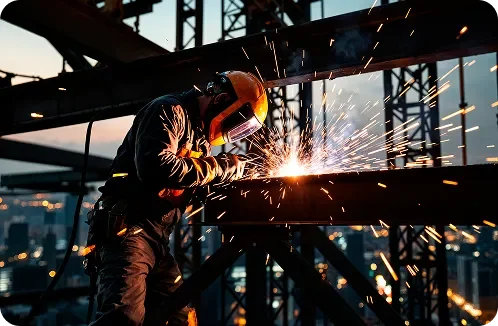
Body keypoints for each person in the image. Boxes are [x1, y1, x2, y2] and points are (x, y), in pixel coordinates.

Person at [85, 71, 268, 326]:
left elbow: (193, 183)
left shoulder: (201, 140)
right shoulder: (169, 111)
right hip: (127, 231)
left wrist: (236, 182)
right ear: (221, 100)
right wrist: (218, 168)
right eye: (235, 122)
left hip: (157, 239)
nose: (230, 132)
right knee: (123, 318)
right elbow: (155, 168)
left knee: (179, 318)